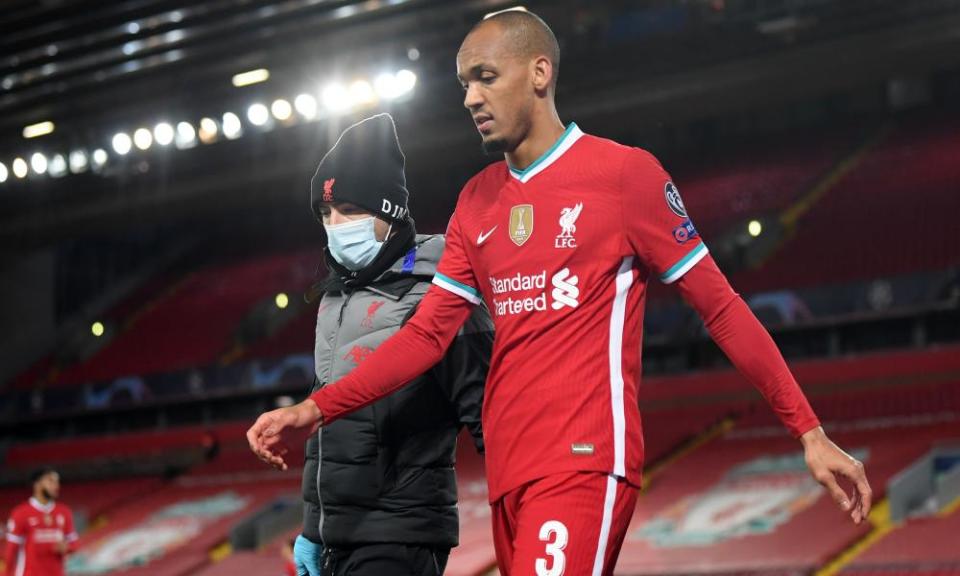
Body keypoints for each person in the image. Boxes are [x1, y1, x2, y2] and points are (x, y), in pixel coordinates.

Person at [249, 10, 872, 575]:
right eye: (464, 82)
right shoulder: (476, 200)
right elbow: (424, 336)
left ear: (539, 72)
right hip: (509, 474)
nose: (471, 97)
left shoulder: (625, 176)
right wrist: (314, 410)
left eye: (486, 77)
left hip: (583, 459)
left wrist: (808, 431)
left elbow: (722, 308)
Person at [290, 113, 491, 576]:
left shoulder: (442, 293)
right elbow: (331, 425)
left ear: (390, 210)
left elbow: (490, 418)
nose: (336, 224)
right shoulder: (335, 298)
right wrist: (314, 527)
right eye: (326, 212)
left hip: (399, 534)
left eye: (350, 209)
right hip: (338, 536)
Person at [4, 468, 78, 576]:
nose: (56, 486)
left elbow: (74, 543)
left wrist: (67, 548)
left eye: (57, 482)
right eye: (50, 481)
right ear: (37, 484)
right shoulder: (21, 513)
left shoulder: (64, 512)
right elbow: (11, 550)